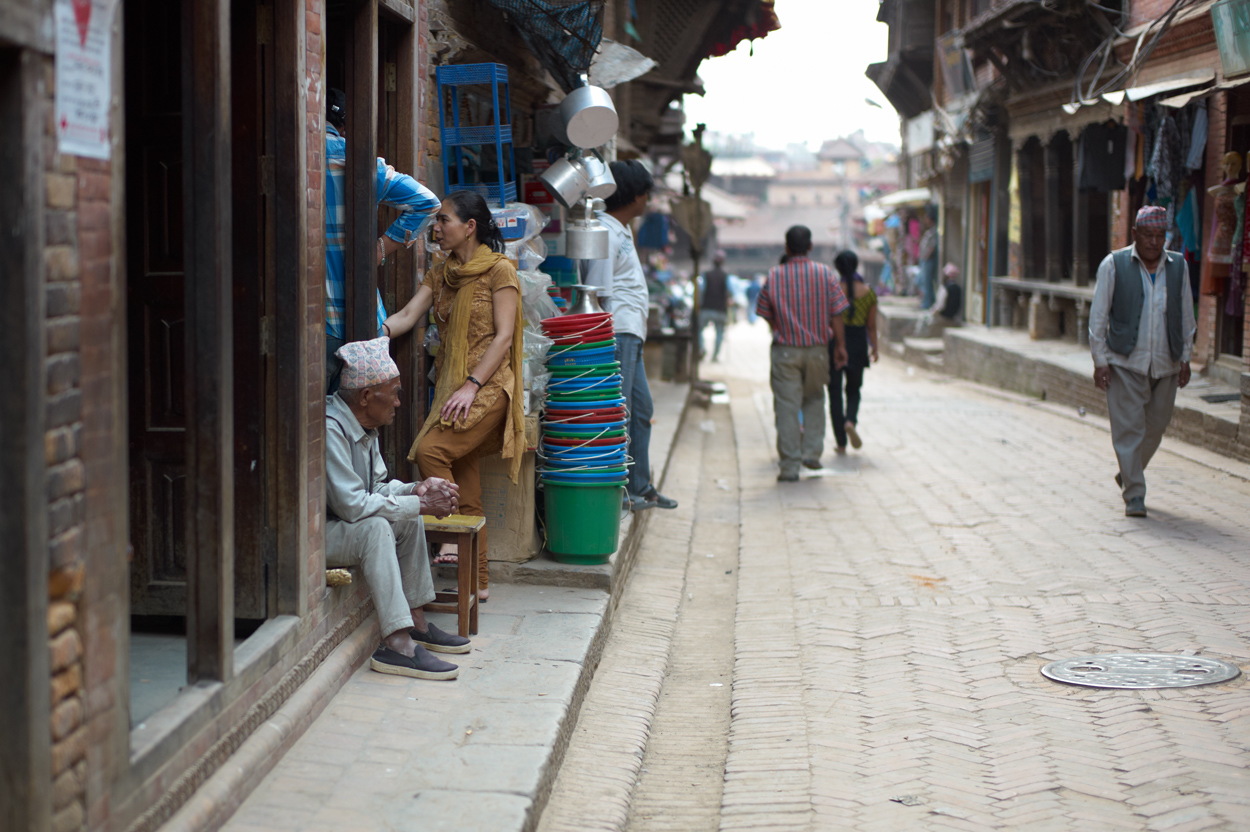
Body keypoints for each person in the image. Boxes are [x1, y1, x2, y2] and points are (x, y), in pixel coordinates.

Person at [385, 192, 526, 602]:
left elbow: (502, 337)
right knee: (466, 482)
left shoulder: (501, 271)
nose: (436, 228)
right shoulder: (440, 273)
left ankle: (449, 532)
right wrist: (376, 333)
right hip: (453, 390)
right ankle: (477, 583)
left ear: (470, 227)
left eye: (444, 220)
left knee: (431, 451)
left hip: (488, 387)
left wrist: (472, 385)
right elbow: (409, 316)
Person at [326, 338, 470, 680]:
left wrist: (416, 489)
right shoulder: (331, 428)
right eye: (393, 392)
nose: (398, 402)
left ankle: (416, 621)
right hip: (319, 538)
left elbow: (376, 488)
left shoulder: (365, 425)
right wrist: (418, 503)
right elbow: (351, 506)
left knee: (406, 517)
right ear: (365, 397)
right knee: (380, 526)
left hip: (345, 524)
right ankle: (396, 644)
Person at [324, 87, 440, 392]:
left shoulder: (287, 155)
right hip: (362, 322)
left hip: (306, 325)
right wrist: (381, 247)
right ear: (344, 126)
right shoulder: (356, 160)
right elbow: (427, 202)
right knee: (360, 426)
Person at [1090, 205, 1195, 518]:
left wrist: (1186, 357)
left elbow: (1187, 314)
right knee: (1128, 430)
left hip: (1167, 361)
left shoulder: (1179, 266)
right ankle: (1134, 494)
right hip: (1124, 361)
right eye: (1147, 235)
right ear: (1134, 234)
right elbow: (1098, 315)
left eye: (1159, 235)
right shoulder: (1114, 264)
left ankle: (1129, 469)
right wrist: (1100, 360)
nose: (1153, 241)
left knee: (1156, 426)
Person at [585, 160, 678, 512]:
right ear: (635, 195)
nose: (648, 201)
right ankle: (618, 492)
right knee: (618, 411)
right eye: (646, 193)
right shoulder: (605, 232)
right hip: (619, 330)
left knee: (641, 410)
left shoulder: (620, 230)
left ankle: (641, 485)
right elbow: (598, 289)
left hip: (632, 332)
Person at [757, 225, 849, 481]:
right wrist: (840, 346)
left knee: (787, 407)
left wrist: (779, 327)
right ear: (810, 247)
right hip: (818, 350)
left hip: (785, 351)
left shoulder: (774, 275)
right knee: (815, 399)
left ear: (787, 247)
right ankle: (811, 453)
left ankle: (789, 467)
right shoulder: (825, 274)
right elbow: (837, 313)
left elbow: (764, 311)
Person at [828, 250, 878, 453]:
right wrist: (875, 347)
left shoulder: (833, 291)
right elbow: (871, 326)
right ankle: (850, 421)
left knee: (834, 393)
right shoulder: (868, 292)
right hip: (858, 343)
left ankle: (840, 442)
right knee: (854, 389)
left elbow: (829, 320)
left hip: (835, 343)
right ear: (856, 266)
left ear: (838, 268)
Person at [700, 249, 731, 361]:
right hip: (720, 309)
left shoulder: (706, 275)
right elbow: (729, 293)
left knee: (699, 330)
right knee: (719, 333)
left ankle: (701, 349)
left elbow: (701, 291)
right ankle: (715, 356)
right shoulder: (726, 276)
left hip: (707, 307)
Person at [918, 209, 939, 309]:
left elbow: (932, 246)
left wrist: (926, 256)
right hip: (925, 259)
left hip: (928, 260)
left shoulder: (935, 231)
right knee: (924, 281)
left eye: (926, 218)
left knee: (927, 282)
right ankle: (927, 302)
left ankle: (928, 303)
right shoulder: (930, 230)